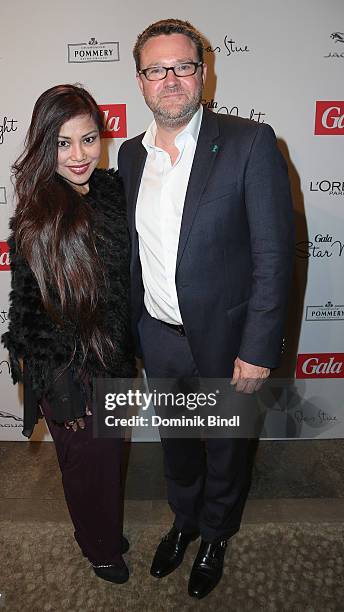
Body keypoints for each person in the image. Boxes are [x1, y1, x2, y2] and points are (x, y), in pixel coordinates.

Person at [118, 19, 294, 599]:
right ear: (141, 80)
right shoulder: (129, 157)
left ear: (203, 72)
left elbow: (274, 254)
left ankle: (216, 534)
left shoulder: (249, 142)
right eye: (156, 69)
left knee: (225, 448)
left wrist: (258, 348)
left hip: (228, 341)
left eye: (182, 66)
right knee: (177, 443)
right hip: (159, 336)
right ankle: (185, 520)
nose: (170, 79)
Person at [2, 84, 135, 584]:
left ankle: (105, 528)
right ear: (43, 145)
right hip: (70, 373)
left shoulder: (108, 191)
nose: (79, 156)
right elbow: (28, 313)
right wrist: (57, 388)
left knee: (107, 460)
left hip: (113, 358)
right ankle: (99, 547)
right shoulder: (40, 212)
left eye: (88, 139)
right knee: (86, 466)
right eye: (62, 143)